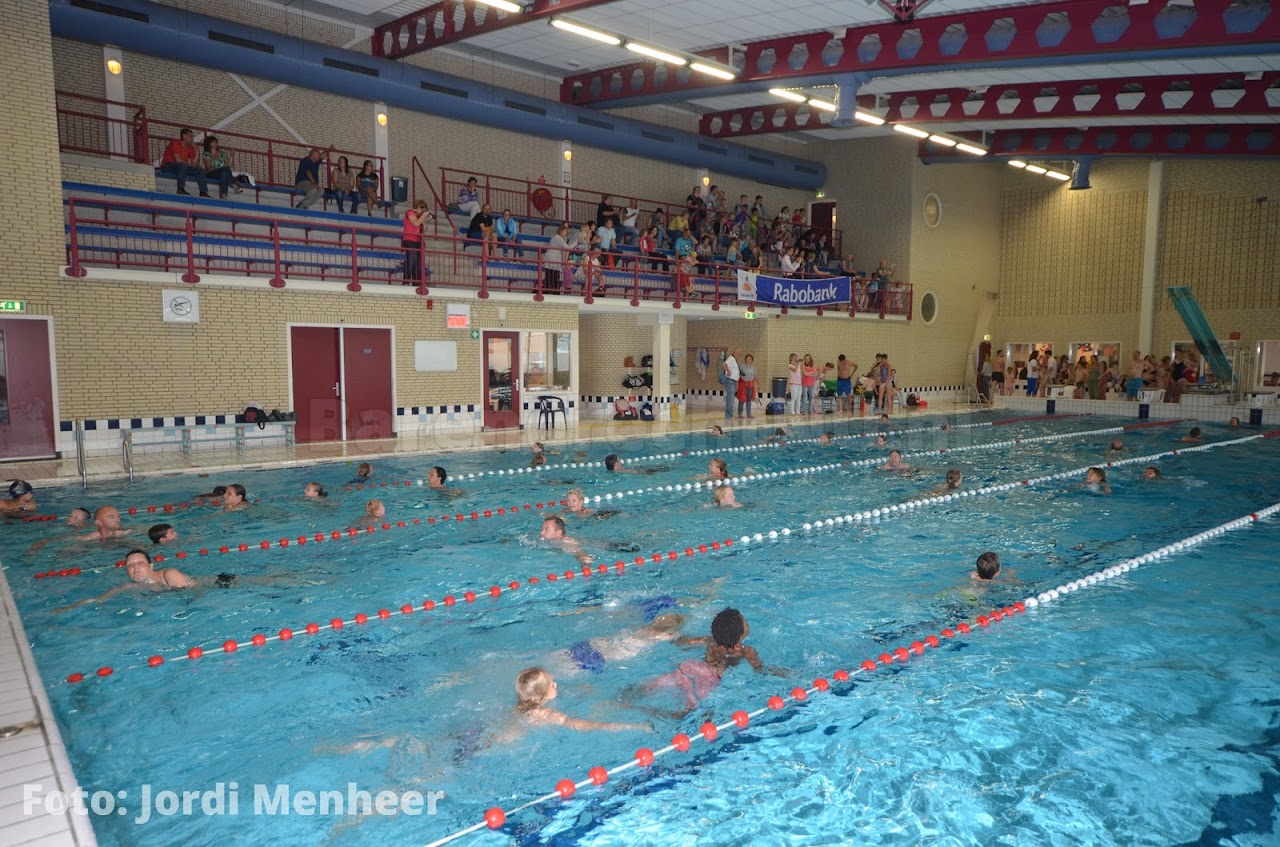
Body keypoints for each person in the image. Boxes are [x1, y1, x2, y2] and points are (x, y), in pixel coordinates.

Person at [627, 608, 777, 717]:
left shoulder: (710, 641)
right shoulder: (746, 651)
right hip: (708, 678)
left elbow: (682, 642)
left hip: (690, 667)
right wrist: (779, 672)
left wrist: (673, 634)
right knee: (687, 713)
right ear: (740, 634)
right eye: (745, 623)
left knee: (649, 686)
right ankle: (654, 713)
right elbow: (760, 670)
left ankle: (626, 700)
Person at [55, 549, 197, 612]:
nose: (135, 568)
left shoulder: (169, 575)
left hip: (217, 584)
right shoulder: (130, 587)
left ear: (151, 566)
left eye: (140, 563)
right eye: (130, 565)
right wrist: (67, 608)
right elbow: (98, 600)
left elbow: (195, 593)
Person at [515, 668, 647, 732]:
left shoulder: (524, 705)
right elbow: (577, 724)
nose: (556, 684)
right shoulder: (546, 714)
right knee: (603, 707)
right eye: (552, 685)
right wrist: (619, 726)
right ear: (539, 696)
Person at [159, 127, 209, 197]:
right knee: (182, 165)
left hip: (182, 168)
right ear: (184, 136)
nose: (192, 138)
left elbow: (195, 165)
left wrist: (197, 151)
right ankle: (180, 189)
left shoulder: (190, 147)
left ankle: (203, 192)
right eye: (190, 136)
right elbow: (178, 160)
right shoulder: (175, 143)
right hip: (168, 166)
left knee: (200, 170)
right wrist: (190, 165)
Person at [402, 200, 433, 284]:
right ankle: (406, 281)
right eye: (423, 210)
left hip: (418, 241)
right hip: (410, 240)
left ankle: (416, 283)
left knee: (418, 264)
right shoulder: (410, 213)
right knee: (411, 261)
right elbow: (416, 223)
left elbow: (422, 230)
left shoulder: (419, 217)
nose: (423, 212)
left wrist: (426, 221)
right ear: (420, 207)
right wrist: (423, 216)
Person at [543, 224, 572, 293]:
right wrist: (575, 243)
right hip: (553, 260)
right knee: (554, 276)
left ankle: (550, 291)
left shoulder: (557, 238)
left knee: (550, 276)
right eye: (565, 231)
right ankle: (554, 292)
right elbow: (567, 248)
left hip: (552, 260)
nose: (566, 233)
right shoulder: (558, 238)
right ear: (561, 231)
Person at [737, 353, 758, 419]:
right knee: (742, 400)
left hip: (750, 386)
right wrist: (736, 384)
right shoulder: (741, 366)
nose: (748, 360)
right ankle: (740, 414)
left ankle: (749, 414)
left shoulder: (753, 368)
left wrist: (759, 383)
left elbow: (755, 376)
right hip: (743, 385)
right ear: (745, 359)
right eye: (747, 359)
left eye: (750, 359)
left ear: (752, 360)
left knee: (749, 400)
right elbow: (738, 375)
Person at [722, 349, 741, 421]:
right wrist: (728, 371)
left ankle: (729, 415)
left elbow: (736, 373)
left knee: (731, 399)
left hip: (733, 381)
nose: (738, 354)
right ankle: (729, 416)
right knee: (730, 399)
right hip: (730, 381)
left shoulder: (734, 360)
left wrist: (736, 383)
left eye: (739, 353)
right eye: (737, 352)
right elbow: (724, 364)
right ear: (733, 352)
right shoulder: (731, 358)